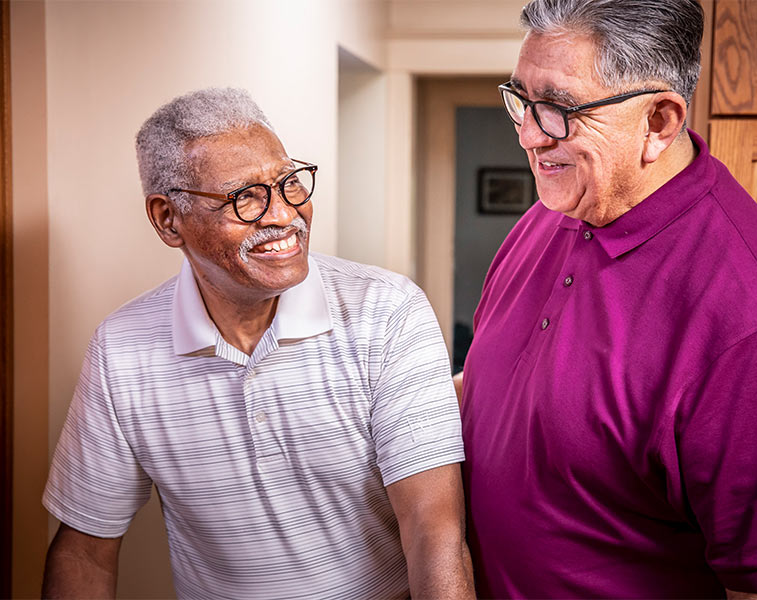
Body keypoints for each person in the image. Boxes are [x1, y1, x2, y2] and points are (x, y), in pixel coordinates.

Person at [42, 87, 474, 600]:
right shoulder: (120, 350)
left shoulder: (388, 313)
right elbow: (84, 550)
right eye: (244, 197)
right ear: (167, 219)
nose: (284, 215)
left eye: (290, 183)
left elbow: (435, 532)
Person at [459, 0, 757, 598]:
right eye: (521, 99)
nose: (530, 136)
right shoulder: (556, 207)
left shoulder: (755, 324)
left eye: (560, 109)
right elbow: (493, 386)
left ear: (660, 123)